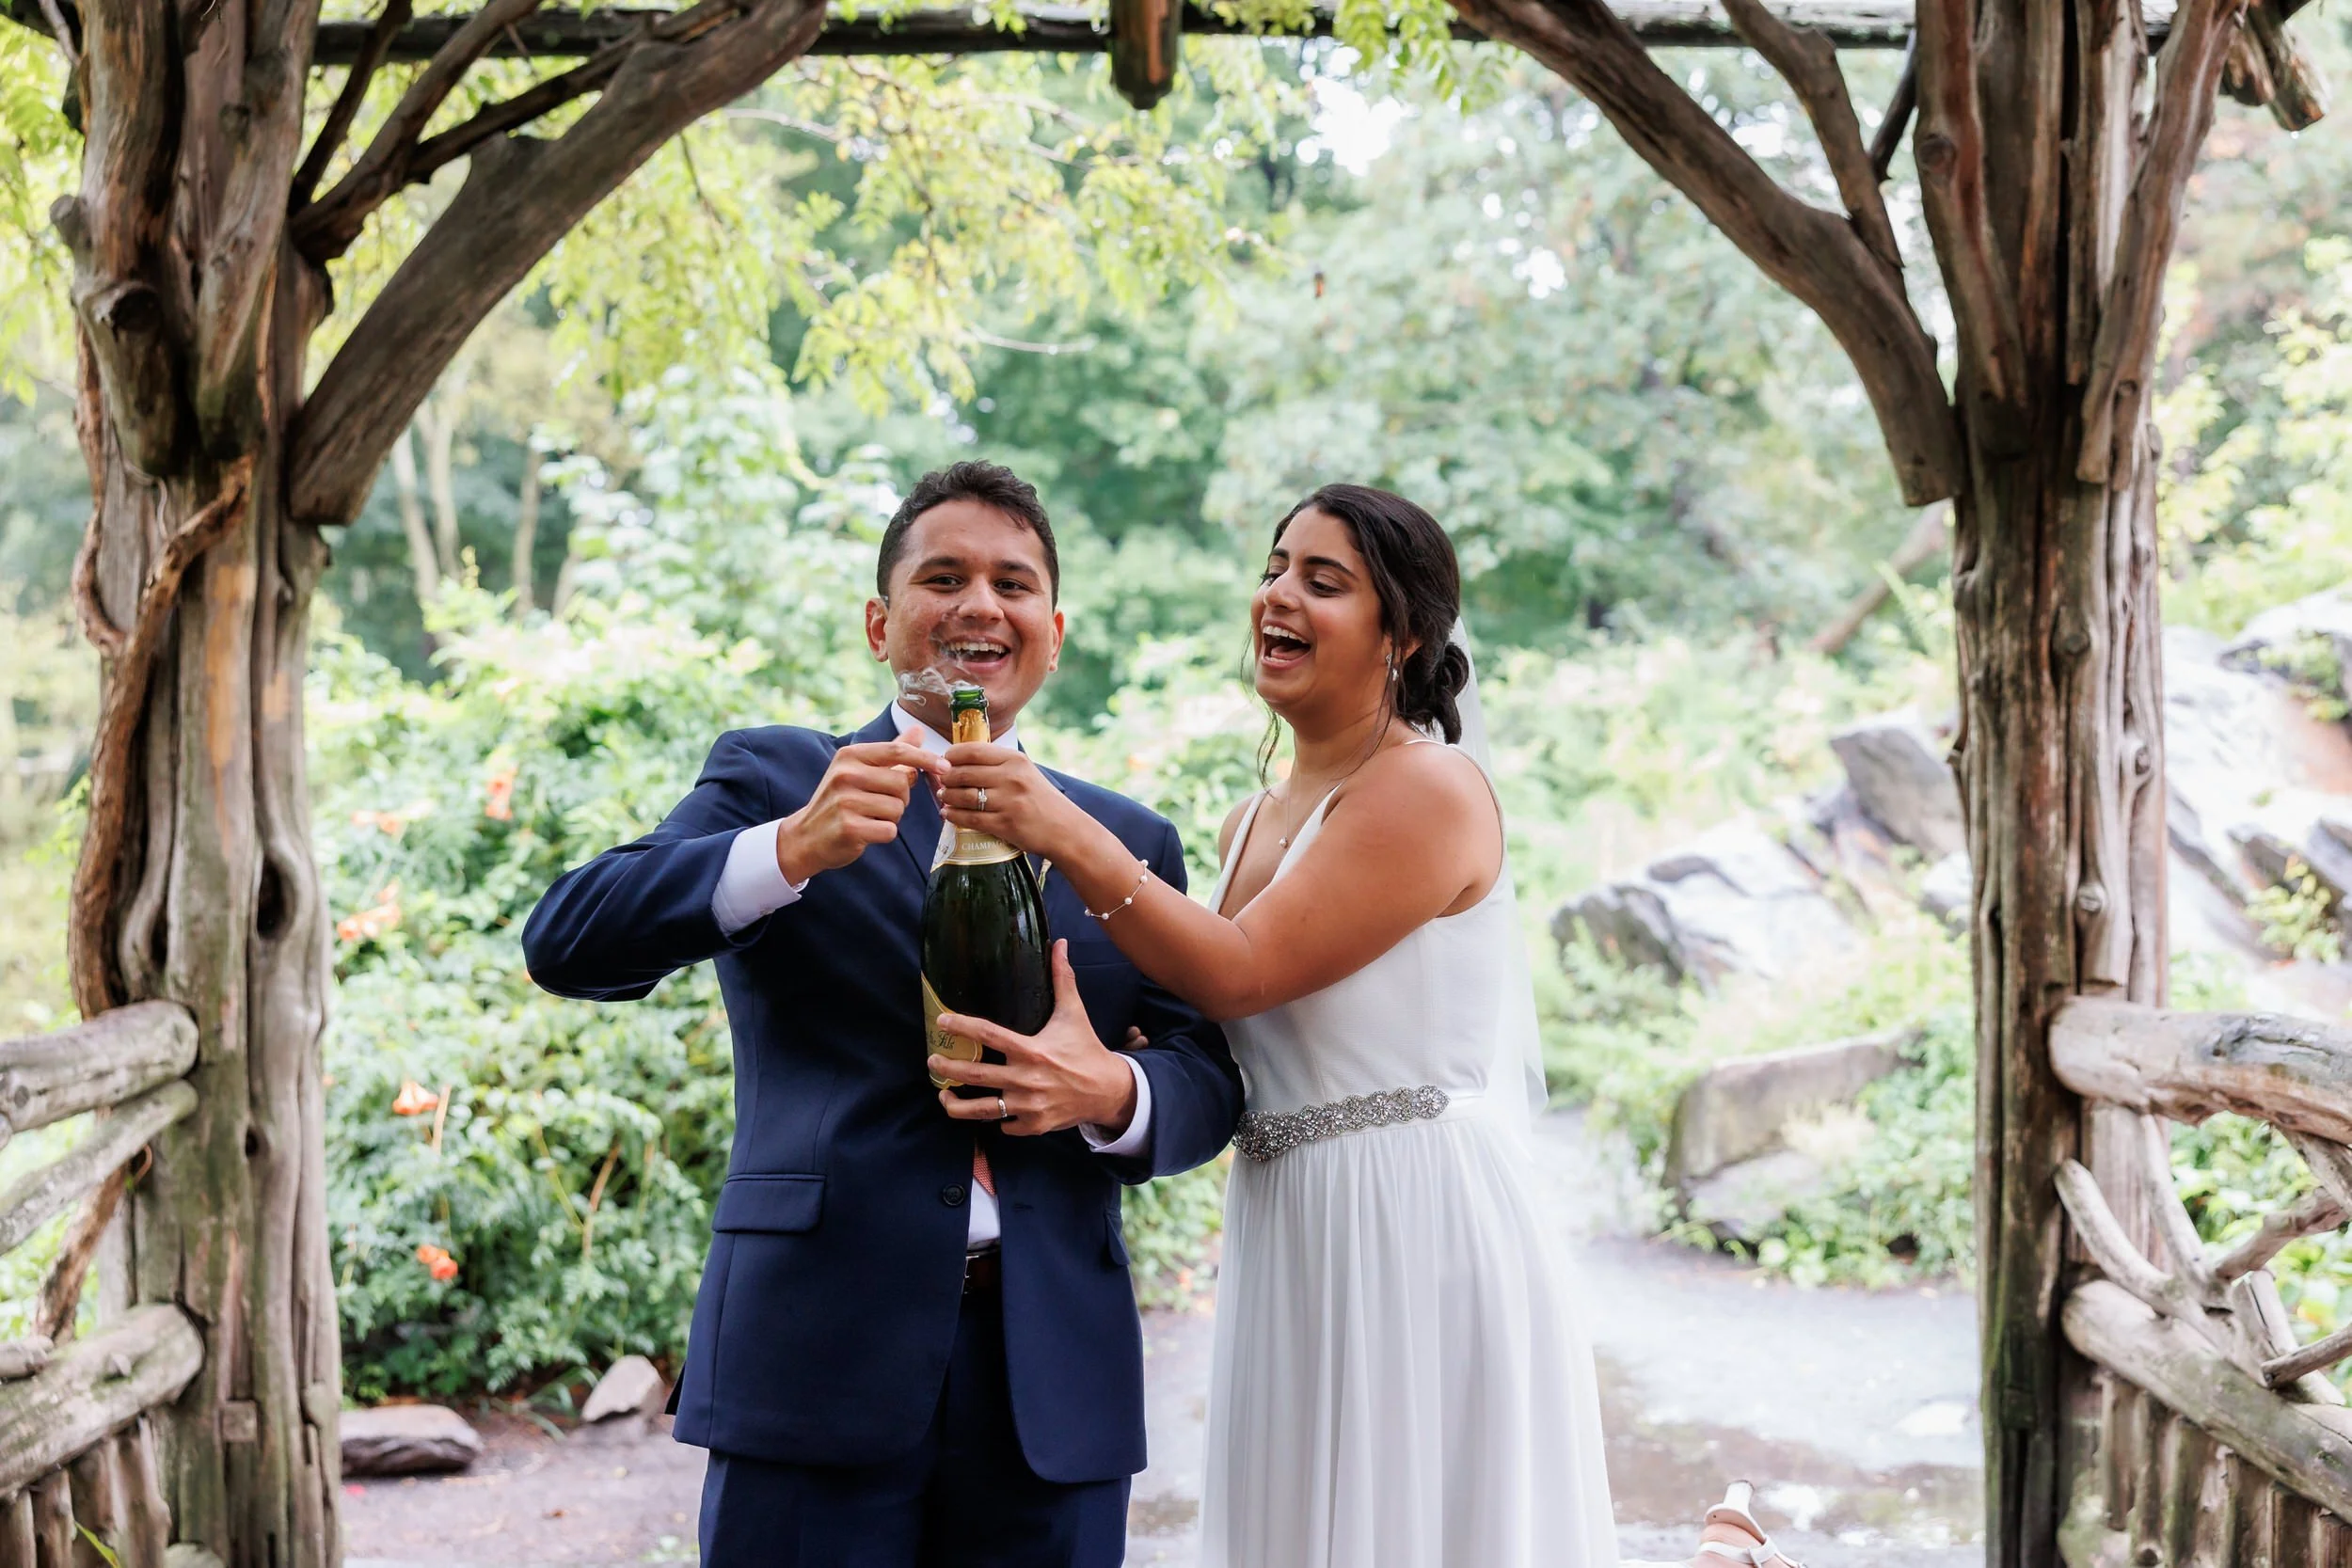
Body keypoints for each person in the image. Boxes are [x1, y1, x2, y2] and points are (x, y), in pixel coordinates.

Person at [932, 483, 1804, 1568]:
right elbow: (1204, 1012)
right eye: (1274, 567)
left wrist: (1058, 827)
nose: (1277, 595)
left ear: (1403, 637)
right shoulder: (1243, 820)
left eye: (1322, 580)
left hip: (1410, 1217)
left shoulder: (1428, 791)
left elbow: (1242, 971)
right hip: (1289, 1208)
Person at [521, 461, 1245, 1568]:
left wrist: (1111, 1090)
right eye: (941, 576)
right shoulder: (777, 777)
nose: (978, 604)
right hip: (814, 1358)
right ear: (880, 619)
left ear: (1051, 630)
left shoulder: (1124, 837)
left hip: (1053, 1382)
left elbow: (1210, 1067)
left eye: (1012, 583)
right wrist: (786, 850)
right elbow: (566, 940)